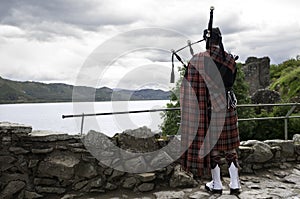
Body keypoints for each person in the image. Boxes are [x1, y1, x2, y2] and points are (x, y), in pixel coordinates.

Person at [180, 27, 241, 195]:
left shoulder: (199, 59)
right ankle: (235, 184)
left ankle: (217, 184)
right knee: (229, 147)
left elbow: (191, 86)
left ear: (206, 40)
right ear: (220, 39)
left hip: (210, 107)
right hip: (228, 106)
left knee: (213, 147)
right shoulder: (229, 59)